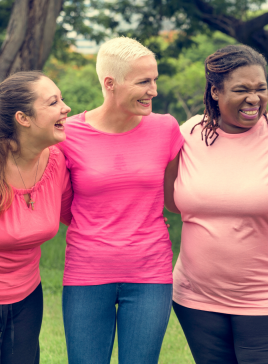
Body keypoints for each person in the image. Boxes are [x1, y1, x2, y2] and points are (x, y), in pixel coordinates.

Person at [164, 44, 268, 364]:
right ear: (216, 91)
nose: (254, 98)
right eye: (241, 89)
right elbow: (172, 201)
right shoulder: (189, 133)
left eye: (261, 88)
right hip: (196, 299)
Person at [58, 37, 184, 364]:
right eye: (143, 81)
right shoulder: (67, 135)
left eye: (154, 79)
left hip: (150, 274)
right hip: (86, 272)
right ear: (110, 84)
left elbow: (177, 194)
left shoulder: (166, 128)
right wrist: (99, 226)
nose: (153, 90)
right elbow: (60, 203)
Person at [0, 71, 72, 364]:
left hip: (27, 297)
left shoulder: (56, 161)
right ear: (23, 119)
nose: (66, 108)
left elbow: (76, 215)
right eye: (53, 102)